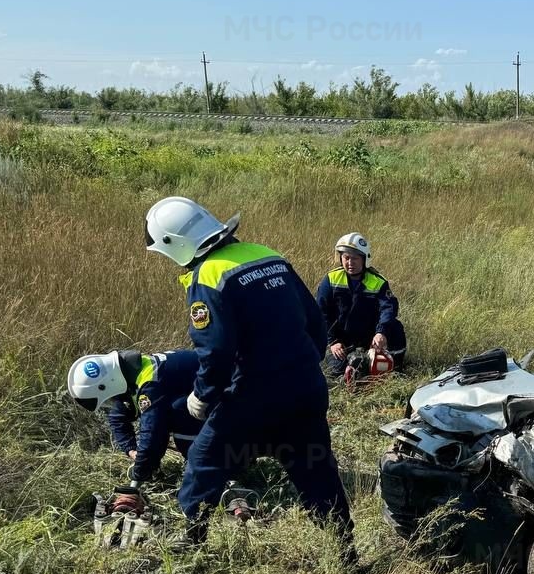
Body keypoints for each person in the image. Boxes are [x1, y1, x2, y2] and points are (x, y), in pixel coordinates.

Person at [143, 195, 354, 555]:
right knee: (316, 469)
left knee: (204, 459)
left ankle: (192, 539)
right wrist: (303, 365)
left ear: (173, 245)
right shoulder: (267, 254)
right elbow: (316, 322)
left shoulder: (208, 275)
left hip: (255, 395)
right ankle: (345, 550)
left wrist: (203, 396)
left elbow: (216, 352)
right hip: (306, 387)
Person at [67, 348, 202, 484]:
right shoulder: (130, 374)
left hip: (220, 397)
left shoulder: (150, 384)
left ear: (109, 384)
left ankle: (203, 465)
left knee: (178, 411)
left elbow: (153, 432)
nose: (112, 401)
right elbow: (117, 417)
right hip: (208, 396)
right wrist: (131, 450)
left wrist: (140, 472)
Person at [316, 232, 407, 379]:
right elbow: (320, 312)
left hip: (370, 335)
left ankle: (395, 368)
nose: (350, 263)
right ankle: (352, 369)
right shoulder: (331, 279)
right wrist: (332, 342)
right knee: (335, 372)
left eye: (355, 258)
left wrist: (381, 332)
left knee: (395, 327)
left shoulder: (378, 281)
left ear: (365, 259)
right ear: (340, 258)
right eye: (346, 258)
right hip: (341, 338)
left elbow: (388, 308)